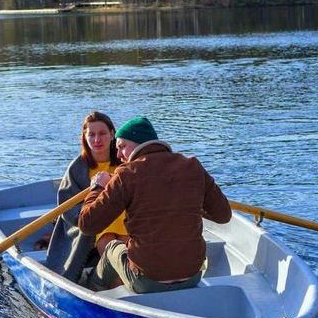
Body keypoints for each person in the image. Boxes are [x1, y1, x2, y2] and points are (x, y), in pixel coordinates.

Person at [78, 116, 232, 293]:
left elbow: (87, 224)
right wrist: (188, 202)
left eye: (121, 147)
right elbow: (223, 215)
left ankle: (93, 288)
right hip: (192, 276)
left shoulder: (126, 174)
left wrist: (97, 188)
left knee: (112, 247)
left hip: (147, 281)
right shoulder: (193, 166)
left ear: (138, 144)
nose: (119, 155)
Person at [44, 110, 129, 280]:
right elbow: (68, 209)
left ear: (112, 134)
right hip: (93, 221)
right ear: (85, 136)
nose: (97, 140)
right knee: (108, 235)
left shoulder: (124, 161)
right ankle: (120, 280)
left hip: (127, 219)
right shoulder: (77, 168)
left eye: (102, 133)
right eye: (92, 134)